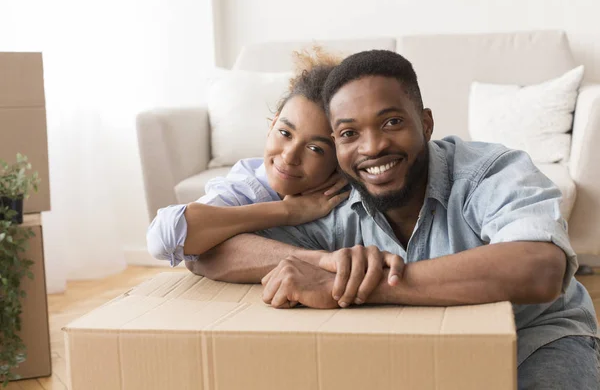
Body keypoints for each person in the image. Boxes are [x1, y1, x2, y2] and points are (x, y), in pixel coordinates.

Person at [187, 50, 600, 389]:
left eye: (392, 122)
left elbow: (538, 269)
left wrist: (355, 286)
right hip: (418, 352)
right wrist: (321, 264)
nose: (373, 147)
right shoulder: (337, 198)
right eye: (349, 133)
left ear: (426, 123)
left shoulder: (489, 172)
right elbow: (206, 252)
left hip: (535, 340)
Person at [147, 48, 404, 291]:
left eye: (315, 148)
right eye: (284, 133)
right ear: (271, 125)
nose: (289, 156)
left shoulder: (352, 191)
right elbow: (164, 239)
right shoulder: (250, 184)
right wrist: (288, 211)